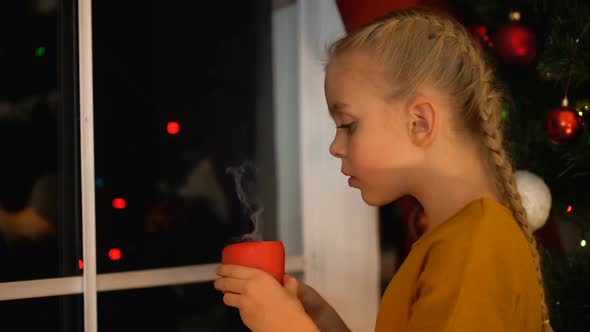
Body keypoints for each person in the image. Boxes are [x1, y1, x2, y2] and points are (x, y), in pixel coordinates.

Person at [214, 7, 552, 332]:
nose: (335, 147)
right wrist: (326, 325)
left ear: (419, 123)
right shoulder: (458, 238)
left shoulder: (473, 248)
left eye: (347, 124)